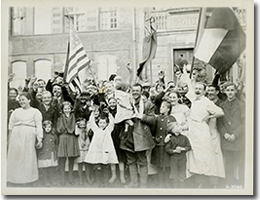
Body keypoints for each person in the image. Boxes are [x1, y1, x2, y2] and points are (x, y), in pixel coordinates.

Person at [186, 82, 224, 188]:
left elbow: (220, 112)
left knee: (207, 157)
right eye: (196, 88)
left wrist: (208, 117)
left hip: (202, 132)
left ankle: (213, 184)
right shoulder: (194, 100)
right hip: (194, 132)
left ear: (204, 91)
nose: (197, 90)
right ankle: (200, 182)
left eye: (200, 89)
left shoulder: (207, 102)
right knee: (196, 157)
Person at [120, 83, 155, 188]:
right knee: (131, 161)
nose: (135, 92)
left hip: (141, 136)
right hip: (128, 135)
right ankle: (133, 183)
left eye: (137, 90)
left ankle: (143, 185)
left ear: (141, 91)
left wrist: (142, 117)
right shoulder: (126, 103)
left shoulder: (147, 104)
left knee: (142, 161)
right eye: (133, 90)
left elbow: (153, 120)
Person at [7, 92, 43, 184]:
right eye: (20, 100)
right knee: (16, 156)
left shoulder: (35, 112)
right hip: (16, 135)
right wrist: (9, 140)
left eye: (23, 99)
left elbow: (39, 126)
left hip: (29, 136)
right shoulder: (16, 112)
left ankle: (28, 179)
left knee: (28, 156)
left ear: (29, 100)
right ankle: (15, 179)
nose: (21, 102)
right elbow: (11, 127)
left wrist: (40, 139)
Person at [142, 100, 176, 188]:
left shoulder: (171, 118)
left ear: (168, 109)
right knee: (159, 165)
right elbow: (153, 130)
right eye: (161, 106)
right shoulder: (157, 118)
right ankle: (160, 184)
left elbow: (174, 130)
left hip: (167, 145)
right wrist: (154, 138)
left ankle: (168, 183)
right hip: (158, 144)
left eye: (163, 107)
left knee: (167, 164)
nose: (161, 108)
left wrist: (169, 136)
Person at [217, 82, 245, 187]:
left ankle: (241, 184)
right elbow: (219, 123)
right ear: (224, 92)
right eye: (228, 90)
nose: (230, 92)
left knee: (240, 162)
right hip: (226, 139)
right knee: (228, 163)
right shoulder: (221, 105)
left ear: (236, 91)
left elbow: (245, 122)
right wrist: (225, 134)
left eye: (232, 90)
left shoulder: (242, 105)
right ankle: (228, 184)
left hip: (238, 139)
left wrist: (235, 135)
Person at [84, 112, 118, 187]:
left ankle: (105, 182)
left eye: (104, 123)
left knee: (105, 166)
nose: (102, 124)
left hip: (105, 151)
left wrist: (109, 115)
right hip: (97, 152)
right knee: (97, 166)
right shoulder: (96, 130)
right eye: (100, 123)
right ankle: (98, 182)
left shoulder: (108, 130)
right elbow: (92, 122)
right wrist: (92, 114)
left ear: (106, 124)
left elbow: (112, 123)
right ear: (98, 124)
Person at [206, 85, 226, 187]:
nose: (210, 93)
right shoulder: (206, 103)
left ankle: (218, 182)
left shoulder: (221, 104)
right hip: (206, 133)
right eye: (208, 91)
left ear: (217, 92)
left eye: (212, 91)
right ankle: (209, 181)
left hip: (217, 133)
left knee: (217, 157)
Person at [56, 101, 80, 186]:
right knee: (62, 159)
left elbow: (74, 128)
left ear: (71, 109)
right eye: (65, 109)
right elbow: (59, 129)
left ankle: (70, 177)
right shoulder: (60, 118)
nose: (67, 110)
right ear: (62, 110)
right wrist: (65, 130)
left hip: (71, 138)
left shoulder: (73, 117)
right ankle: (62, 178)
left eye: (68, 108)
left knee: (71, 159)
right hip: (63, 138)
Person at [165, 122, 192, 188]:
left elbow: (189, 147)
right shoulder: (171, 139)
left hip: (182, 158)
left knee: (182, 173)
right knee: (174, 174)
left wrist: (182, 149)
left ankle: (182, 190)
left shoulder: (184, 138)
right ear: (172, 130)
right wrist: (174, 151)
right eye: (177, 126)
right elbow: (167, 149)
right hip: (174, 159)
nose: (179, 127)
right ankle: (175, 190)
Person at [108, 97, 127, 184]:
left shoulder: (121, 111)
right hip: (111, 136)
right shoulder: (106, 112)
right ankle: (113, 175)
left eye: (113, 102)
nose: (112, 104)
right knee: (112, 155)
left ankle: (122, 176)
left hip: (120, 134)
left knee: (121, 156)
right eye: (110, 102)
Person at [37, 120, 58, 187]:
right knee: (45, 169)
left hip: (51, 154)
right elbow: (38, 145)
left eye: (49, 127)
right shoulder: (41, 136)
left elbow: (56, 144)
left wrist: (55, 152)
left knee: (51, 168)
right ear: (43, 128)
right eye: (46, 127)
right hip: (44, 154)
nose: (48, 129)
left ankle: (52, 180)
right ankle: (46, 181)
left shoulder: (54, 135)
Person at [74, 118, 92, 185]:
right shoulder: (78, 131)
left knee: (87, 164)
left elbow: (90, 125)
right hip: (80, 149)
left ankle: (88, 178)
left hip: (86, 149)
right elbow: (75, 132)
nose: (82, 126)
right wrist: (76, 124)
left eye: (83, 124)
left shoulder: (87, 130)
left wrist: (87, 123)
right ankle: (80, 178)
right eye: (80, 124)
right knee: (80, 165)